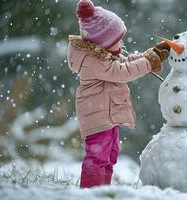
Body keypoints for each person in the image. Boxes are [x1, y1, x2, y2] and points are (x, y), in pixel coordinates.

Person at [67, 0, 169, 188]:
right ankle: (91, 192)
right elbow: (121, 72)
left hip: (105, 116)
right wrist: (148, 63)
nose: (121, 43)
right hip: (97, 117)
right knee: (98, 156)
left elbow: (123, 63)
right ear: (103, 42)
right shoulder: (93, 61)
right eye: (117, 40)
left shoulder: (102, 55)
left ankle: (102, 189)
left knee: (110, 154)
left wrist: (150, 54)